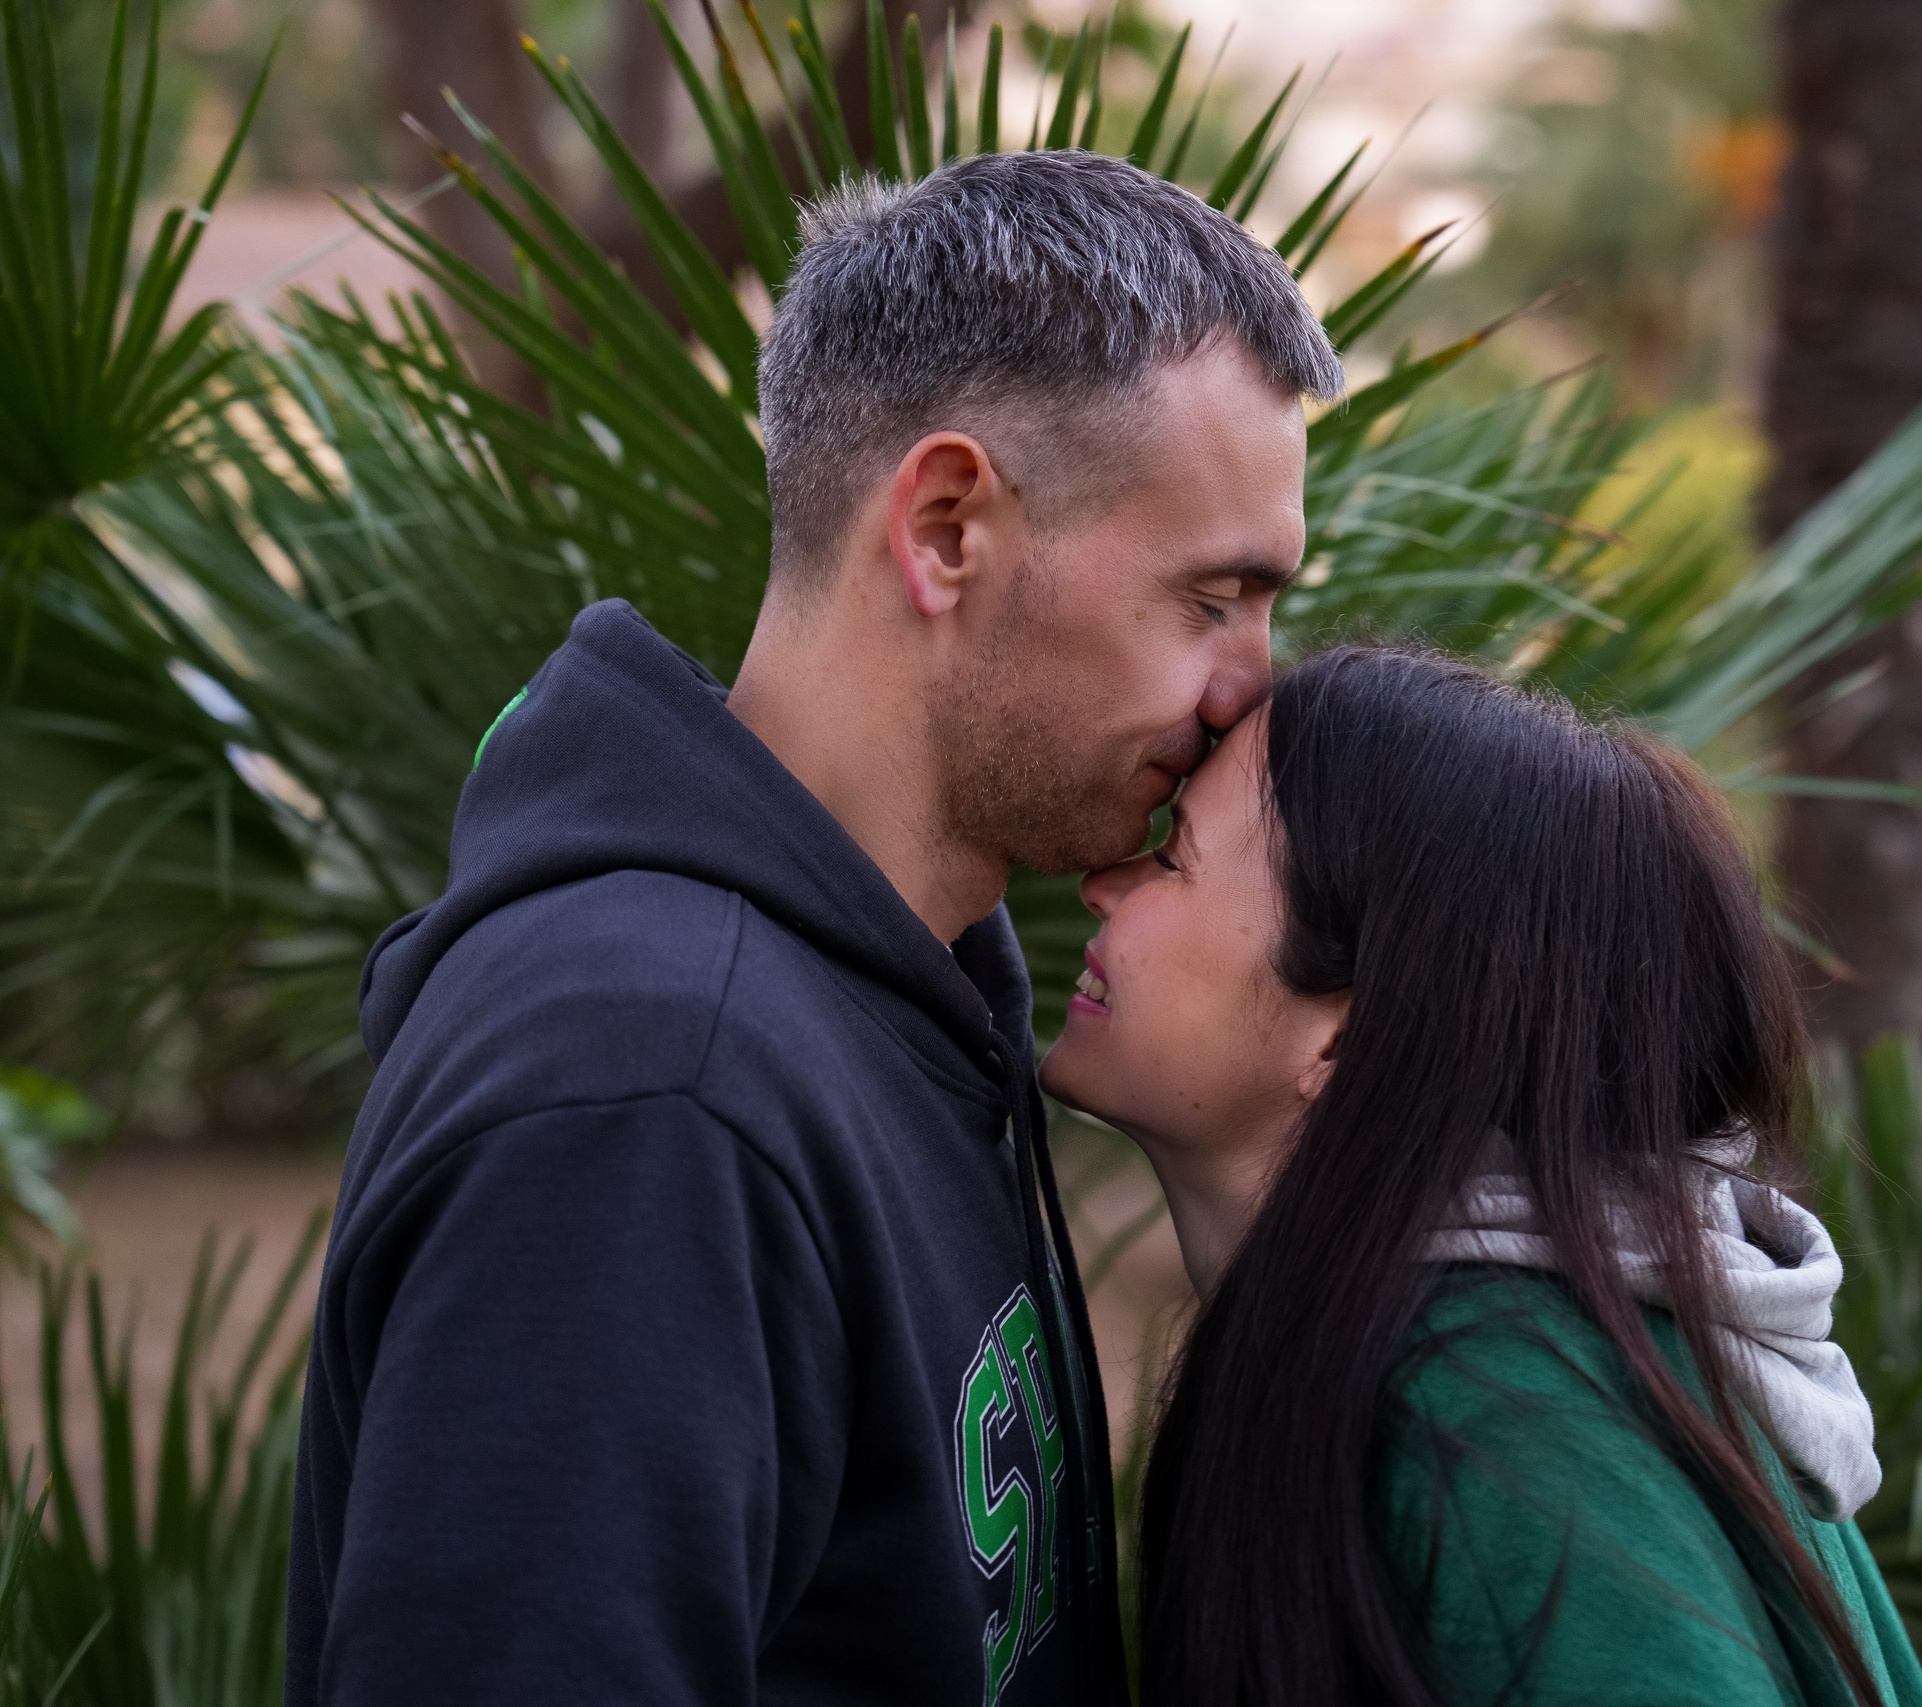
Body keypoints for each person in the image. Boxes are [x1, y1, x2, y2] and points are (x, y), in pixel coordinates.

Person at [284, 151, 1342, 1707]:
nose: (1253, 683)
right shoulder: (654, 1089)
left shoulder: (911, 986)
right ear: (948, 527)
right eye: (1212, 597)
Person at [1041, 644, 1922, 1707]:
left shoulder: (1492, 1419)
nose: (1103, 884)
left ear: (1347, 1034)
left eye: (1175, 857)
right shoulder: (1495, 1354)